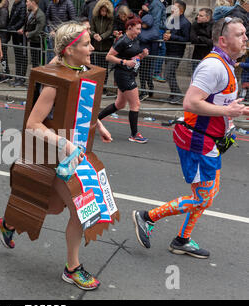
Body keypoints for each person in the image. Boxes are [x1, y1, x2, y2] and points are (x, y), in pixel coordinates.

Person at [0, 22, 113, 291]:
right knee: (81, 212)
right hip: (54, 157)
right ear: (70, 50)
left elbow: (83, 107)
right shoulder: (54, 84)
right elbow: (33, 124)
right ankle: (72, 268)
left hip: (75, 155)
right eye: (86, 44)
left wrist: (99, 125)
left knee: (53, 207)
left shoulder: (82, 71)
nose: (92, 47)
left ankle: (7, 224)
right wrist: (64, 144)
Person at [133, 17, 249, 259]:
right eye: (240, 34)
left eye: (245, 33)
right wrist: (229, 111)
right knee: (203, 196)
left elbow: (216, 101)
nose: (246, 38)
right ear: (223, 40)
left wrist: (236, 109)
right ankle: (147, 217)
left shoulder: (227, 65)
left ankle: (182, 239)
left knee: (207, 194)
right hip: (198, 140)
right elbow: (191, 103)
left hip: (210, 140)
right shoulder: (214, 66)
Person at [98, 16, 149, 143]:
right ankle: (134, 134)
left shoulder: (134, 39)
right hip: (123, 75)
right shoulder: (122, 41)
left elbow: (134, 58)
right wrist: (124, 62)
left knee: (119, 104)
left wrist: (142, 55)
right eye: (137, 29)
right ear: (129, 28)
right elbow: (108, 57)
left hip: (130, 74)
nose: (139, 31)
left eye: (140, 29)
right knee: (135, 104)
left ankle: (94, 120)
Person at [163, 0, 191, 104]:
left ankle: (178, 94)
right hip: (169, 50)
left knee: (167, 74)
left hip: (177, 52)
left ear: (181, 11)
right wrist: (166, 37)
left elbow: (186, 39)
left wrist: (172, 36)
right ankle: (173, 94)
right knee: (171, 74)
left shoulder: (185, 23)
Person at [90, 0, 114, 92]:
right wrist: (94, 34)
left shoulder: (110, 19)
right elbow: (91, 29)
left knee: (104, 68)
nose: (103, 12)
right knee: (94, 67)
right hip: (95, 45)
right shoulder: (94, 17)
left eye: (105, 11)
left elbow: (109, 30)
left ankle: (103, 86)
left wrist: (102, 36)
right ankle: (95, 85)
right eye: (102, 10)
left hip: (105, 46)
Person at [138, 10, 159, 100]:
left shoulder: (154, 31)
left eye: (144, 24)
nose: (143, 25)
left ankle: (150, 88)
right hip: (140, 55)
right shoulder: (142, 29)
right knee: (141, 74)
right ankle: (143, 91)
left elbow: (144, 38)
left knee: (146, 74)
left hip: (148, 56)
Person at [20, 0, 46, 68]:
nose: (26, 3)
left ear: (33, 2)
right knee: (34, 63)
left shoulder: (40, 15)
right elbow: (27, 24)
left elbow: (38, 31)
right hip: (32, 41)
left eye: (27, 1)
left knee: (38, 63)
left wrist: (28, 34)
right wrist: (23, 29)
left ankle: (39, 78)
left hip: (38, 43)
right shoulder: (30, 12)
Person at [8, 0, 26, 86]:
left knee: (21, 57)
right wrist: (10, 28)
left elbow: (22, 20)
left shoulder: (22, 4)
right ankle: (17, 77)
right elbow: (12, 18)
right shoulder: (16, 4)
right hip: (15, 33)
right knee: (17, 56)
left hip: (20, 35)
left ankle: (21, 78)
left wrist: (13, 28)